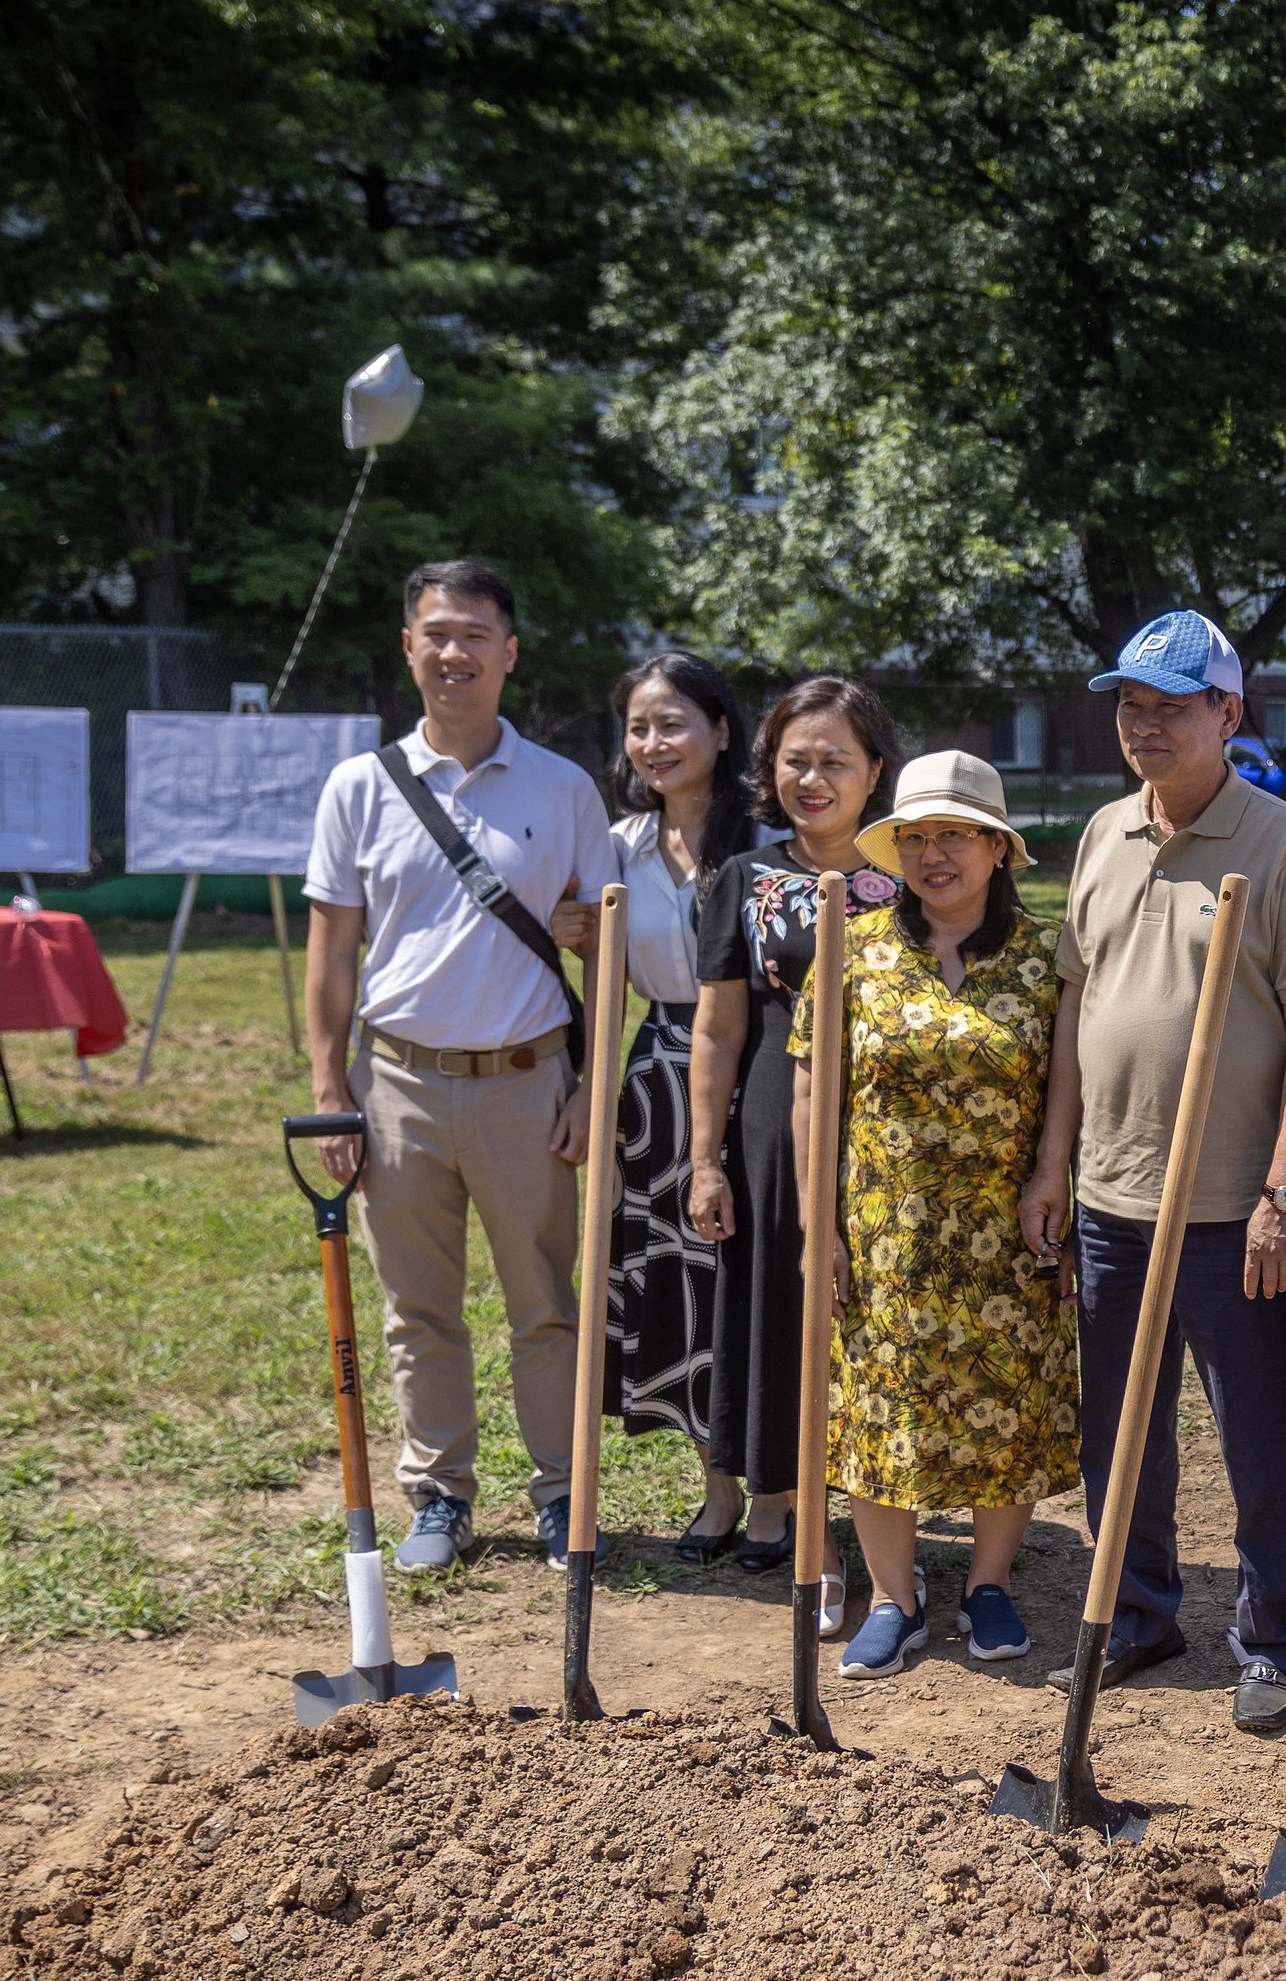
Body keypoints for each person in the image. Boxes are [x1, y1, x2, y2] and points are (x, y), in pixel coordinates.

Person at [1034, 608, 1286, 1733]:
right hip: (1110, 1196)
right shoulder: (1102, 832)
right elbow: (1077, 1005)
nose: (1143, 726)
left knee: (1254, 1434)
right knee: (1119, 1432)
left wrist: (1282, 1189)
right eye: (1129, 705)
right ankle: (1137, 1613)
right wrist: (1054, 1165)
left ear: (1229, 712)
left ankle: (1273, 1638)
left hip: (1227, 1205)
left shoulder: (1280, 841)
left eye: (1169, 706)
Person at [299, 561, 612, 1572]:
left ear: (508, 653)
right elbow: (331, 954)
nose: (454, 652)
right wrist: (330, 1092)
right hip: (396, 1086)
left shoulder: (564, 787)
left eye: (475, 634)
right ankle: (439, 1496)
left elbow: (602, 945)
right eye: (436, 632)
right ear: (408, 648)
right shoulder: (358, 788)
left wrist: (592, 1086)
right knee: (417, 1309)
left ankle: (564, 1494)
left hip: (529, 1085)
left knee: (546, 1306)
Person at [822, 752, 1080, 1674]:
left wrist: (1051, 1173)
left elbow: (1067, 1081)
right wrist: (821, 1230)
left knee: (1005, 1409)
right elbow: (818, 1096)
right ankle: (895, 1598)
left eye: (956, 835)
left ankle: (988, 1584)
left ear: (997, 847)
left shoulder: (1048, 956)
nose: (934, 855)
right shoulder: (853, 952)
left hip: (1008, 1230)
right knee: (879, 1413)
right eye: (916, 837)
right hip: (883, 1233)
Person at [684, 677, 901, 1571]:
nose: (813, 779)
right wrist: (705, 1160)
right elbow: (717, 1029)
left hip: (890, 1120)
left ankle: (878, 1497)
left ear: (875, 770)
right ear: (768, 770)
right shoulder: (746, 877)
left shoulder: (911, 874)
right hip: (777, 1116)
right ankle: (772, 1498)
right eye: (794, 761)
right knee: (777, 1300)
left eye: (834, 761)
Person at [598, 652, 760, 1529]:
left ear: (721, 730)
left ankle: (778, 1494)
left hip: (757, 1065)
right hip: (658, 1074)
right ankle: (719, 1488)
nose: (654, 743)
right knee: (685, 1278)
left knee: (750, 1277)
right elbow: (597, 960)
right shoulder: (617, 847)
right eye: (639, 727)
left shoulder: (766, 838)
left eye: (673, 723)